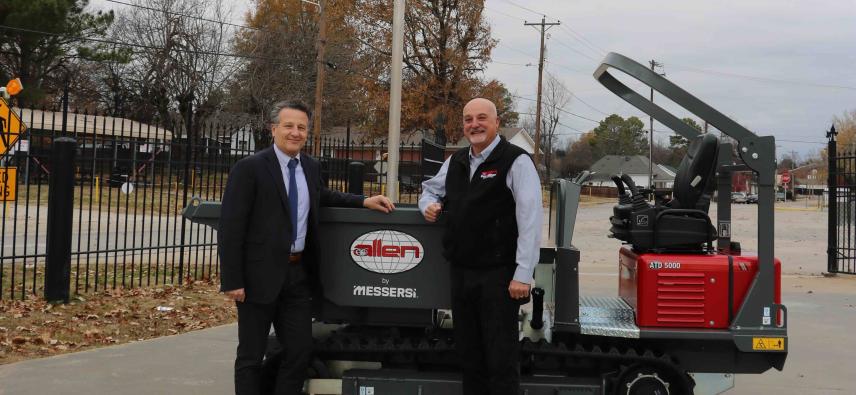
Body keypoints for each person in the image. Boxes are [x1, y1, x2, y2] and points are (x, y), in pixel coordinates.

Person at [218, 100, 395, 395]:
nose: (295, 132)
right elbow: (231, 227)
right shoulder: (249, 168)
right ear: (273, 129)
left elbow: (321, 195)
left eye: (301, 127)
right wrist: (233, 280)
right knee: (251, 355)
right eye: (288, 126)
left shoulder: (311, 166)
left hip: (297, 276)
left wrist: (362, 201)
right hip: (257, 277)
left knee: (299, 352)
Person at [419, 98, 542, 395]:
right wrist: (427, 205)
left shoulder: (517, 160)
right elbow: (430, 189)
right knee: (470, 357)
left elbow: (531, 219)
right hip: (462, 273)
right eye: (468, 119)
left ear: (497, 123)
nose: (474, 124)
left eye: (482, 118)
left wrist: (523, 274)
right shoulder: (456, 160)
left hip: (499, 276)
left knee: (500, 360)